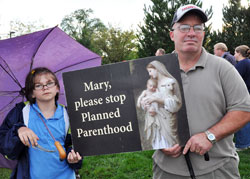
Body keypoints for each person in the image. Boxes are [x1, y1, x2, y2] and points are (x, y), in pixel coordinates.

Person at [152, 4, 250, 179]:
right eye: (184, 27)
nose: (191, 33)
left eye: (197, 28)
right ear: (172, 34)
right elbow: (141, 115)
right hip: (166, 170)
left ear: (203, 34)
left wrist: (210, 135)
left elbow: (243, 109)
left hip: (218, 169)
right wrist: (157, 140)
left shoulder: (223, 68)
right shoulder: (154, 71)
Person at [0, 67, 82, 179]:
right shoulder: (22, 113)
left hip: (65, 175)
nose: (45, 88)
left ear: (57, 88)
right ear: (32, 93)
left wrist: (74, 158)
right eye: (38, 85)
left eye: (49, 83)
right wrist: (18, 129)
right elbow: (5, 145)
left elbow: (80, 144)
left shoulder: (69, 114)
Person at [144, 61, 182, 150]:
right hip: (156, 117)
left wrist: (156, 100)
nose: (149, 74)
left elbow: (175, 104)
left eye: (150, 71)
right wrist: (148, 105)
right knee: (159, 141)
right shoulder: (154, 83)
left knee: (171, 143)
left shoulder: (170, 82)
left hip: (167, 116)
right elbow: (150, 96)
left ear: (157, 69)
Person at [234, 45, 250, 151]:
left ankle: (242, 145)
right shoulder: (248, 62)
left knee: (241, 119)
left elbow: (234, 80)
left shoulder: (242, 64)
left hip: (244, 94)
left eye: (235, 52)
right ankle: (247, 142)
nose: (234, 55)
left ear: (239, 53)